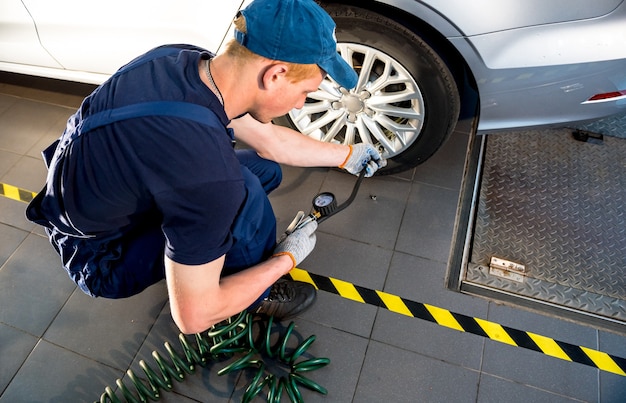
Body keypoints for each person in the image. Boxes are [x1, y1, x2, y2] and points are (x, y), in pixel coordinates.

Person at [26, 0, 386, 334]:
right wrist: (287, 257)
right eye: (306, 92)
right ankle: (258, 298)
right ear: (274, 75)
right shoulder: (208, 178)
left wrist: (346, 154)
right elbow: (193, 318)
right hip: (102, 259)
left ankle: (219, 248)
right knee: (239, 196)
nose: (300, 102)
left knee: (265, 170)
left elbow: (271, 142)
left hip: (90, 201)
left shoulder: (180, 61)